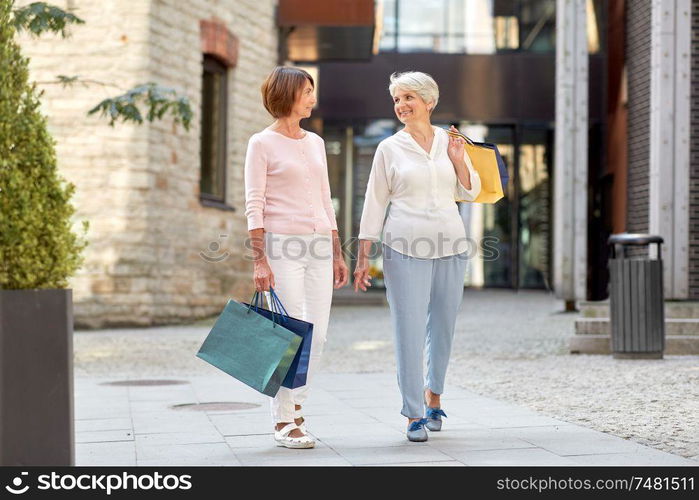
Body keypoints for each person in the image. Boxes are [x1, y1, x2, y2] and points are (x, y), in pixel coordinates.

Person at [353, 71, 481, 442]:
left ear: (429, 101)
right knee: (407, 330)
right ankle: (412, 413)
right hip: (403, 247)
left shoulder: (451, 141)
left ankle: (433, 396)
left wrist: (458, 159)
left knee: (443, 325)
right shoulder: (389, 148)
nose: (402, 105)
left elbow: (471, 193)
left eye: (409, 97)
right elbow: (374, 202)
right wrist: (364, 257)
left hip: (451, 246)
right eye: (397, 100)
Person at [244, 66, 349, 449]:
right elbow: (254, 204)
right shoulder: (261, 143)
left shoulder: (316, 142)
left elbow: (326, 198)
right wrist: (259, 260)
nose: (312, 97)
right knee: (289, 333)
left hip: (320, 244)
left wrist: (337, 252)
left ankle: (297, 409)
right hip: (282, 244)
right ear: (288, 94)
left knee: (317, 334)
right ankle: (283, 421)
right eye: (307, 90)